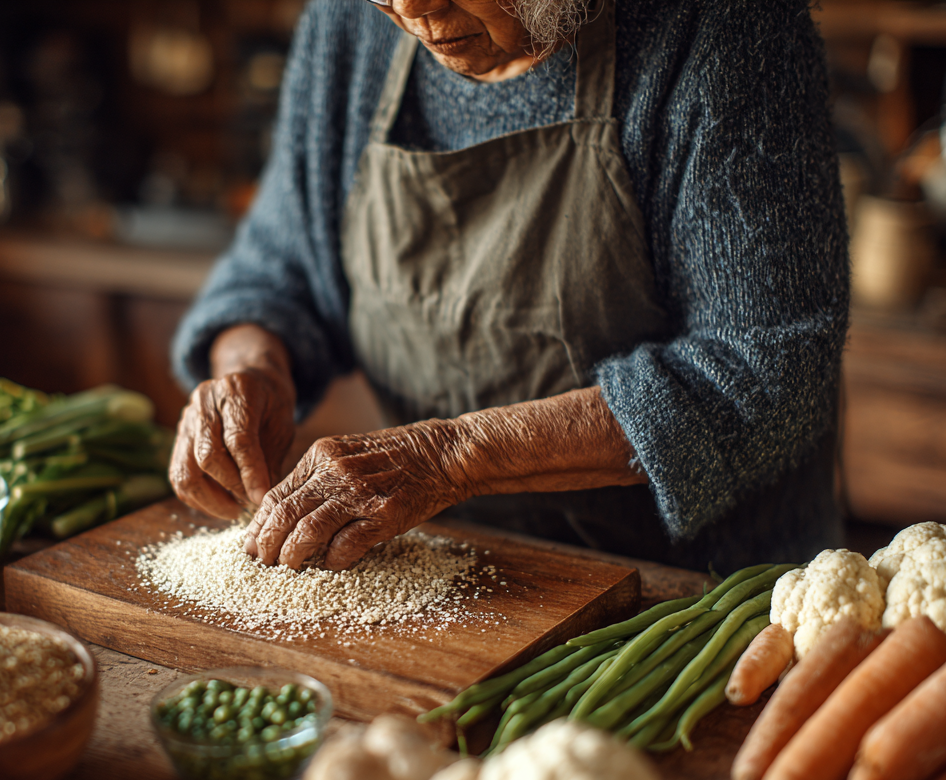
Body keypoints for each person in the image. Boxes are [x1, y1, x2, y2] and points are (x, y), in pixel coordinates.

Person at [169, 0, 850, 573]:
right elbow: (278, 269)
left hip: (688, 597)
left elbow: (765, 370)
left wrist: (450, 457)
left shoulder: (724, 27)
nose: (412, 8)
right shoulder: (348, 22)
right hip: (452, 567)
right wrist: (252, 368)